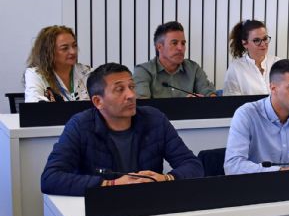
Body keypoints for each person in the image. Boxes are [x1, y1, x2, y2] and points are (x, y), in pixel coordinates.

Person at [41, 63, 204, 197]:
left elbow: (193, 165)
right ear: (98, 101)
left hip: (150, 204)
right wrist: (111, 184)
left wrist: (166, 179)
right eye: (120, 89)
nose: (131, 95)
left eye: (132, 87)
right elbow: (50, 178)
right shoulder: (80, 126)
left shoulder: (154, 119)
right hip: (100, 209)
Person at [133, 21, 217, 98]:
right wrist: (184, 106)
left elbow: (210, 95)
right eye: (174, 43)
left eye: (183, 43)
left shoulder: (193, 69)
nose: (180, 48)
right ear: (159, 47)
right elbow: (142, 105)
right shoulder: (143, 71)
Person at [24, 25, 92, 102]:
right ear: (49, 52)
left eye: (74, 45)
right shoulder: (36, 74)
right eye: (65, 48)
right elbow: (34, 104)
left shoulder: (87, 72)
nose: (73, 51)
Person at [223, 19, 280, 95]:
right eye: (256, 40)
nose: (263, 44)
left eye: (265, 39)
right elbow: (231, 100)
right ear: (245, 43)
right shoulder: (235, 69)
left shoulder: (278, 63)